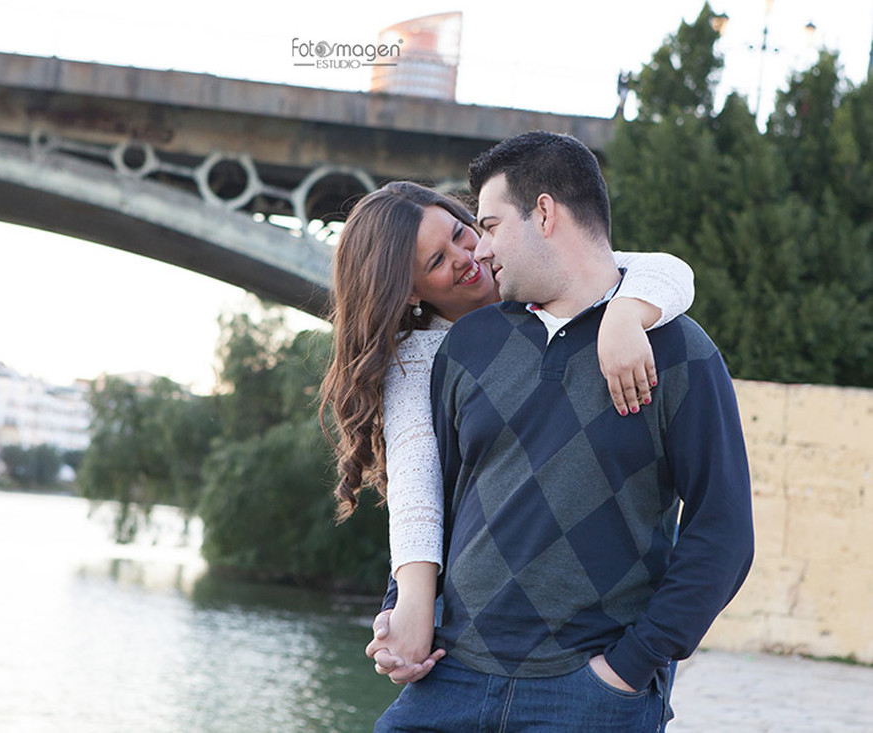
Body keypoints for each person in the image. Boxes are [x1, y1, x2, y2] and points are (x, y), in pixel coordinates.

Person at [369, 131, 754, 732]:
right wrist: (402, 608)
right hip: (451, 684)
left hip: (590, 697)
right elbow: (433, 500)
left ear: (544, 213)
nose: (481, 253)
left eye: (486, 227)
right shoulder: (466, 348)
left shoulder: (680, 352)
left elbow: (724, 531)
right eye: (441, 261)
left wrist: (630, 668)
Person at [318, 181, 696, 682]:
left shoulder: (537, 281)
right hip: (477, 639)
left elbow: (667, 270)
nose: (466, 255)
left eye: (460, 232)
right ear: (408, 291)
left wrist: (625, 313)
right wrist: (409, 608)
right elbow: (417, 484)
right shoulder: (418, 361)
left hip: (598, 632)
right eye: (436, 261)